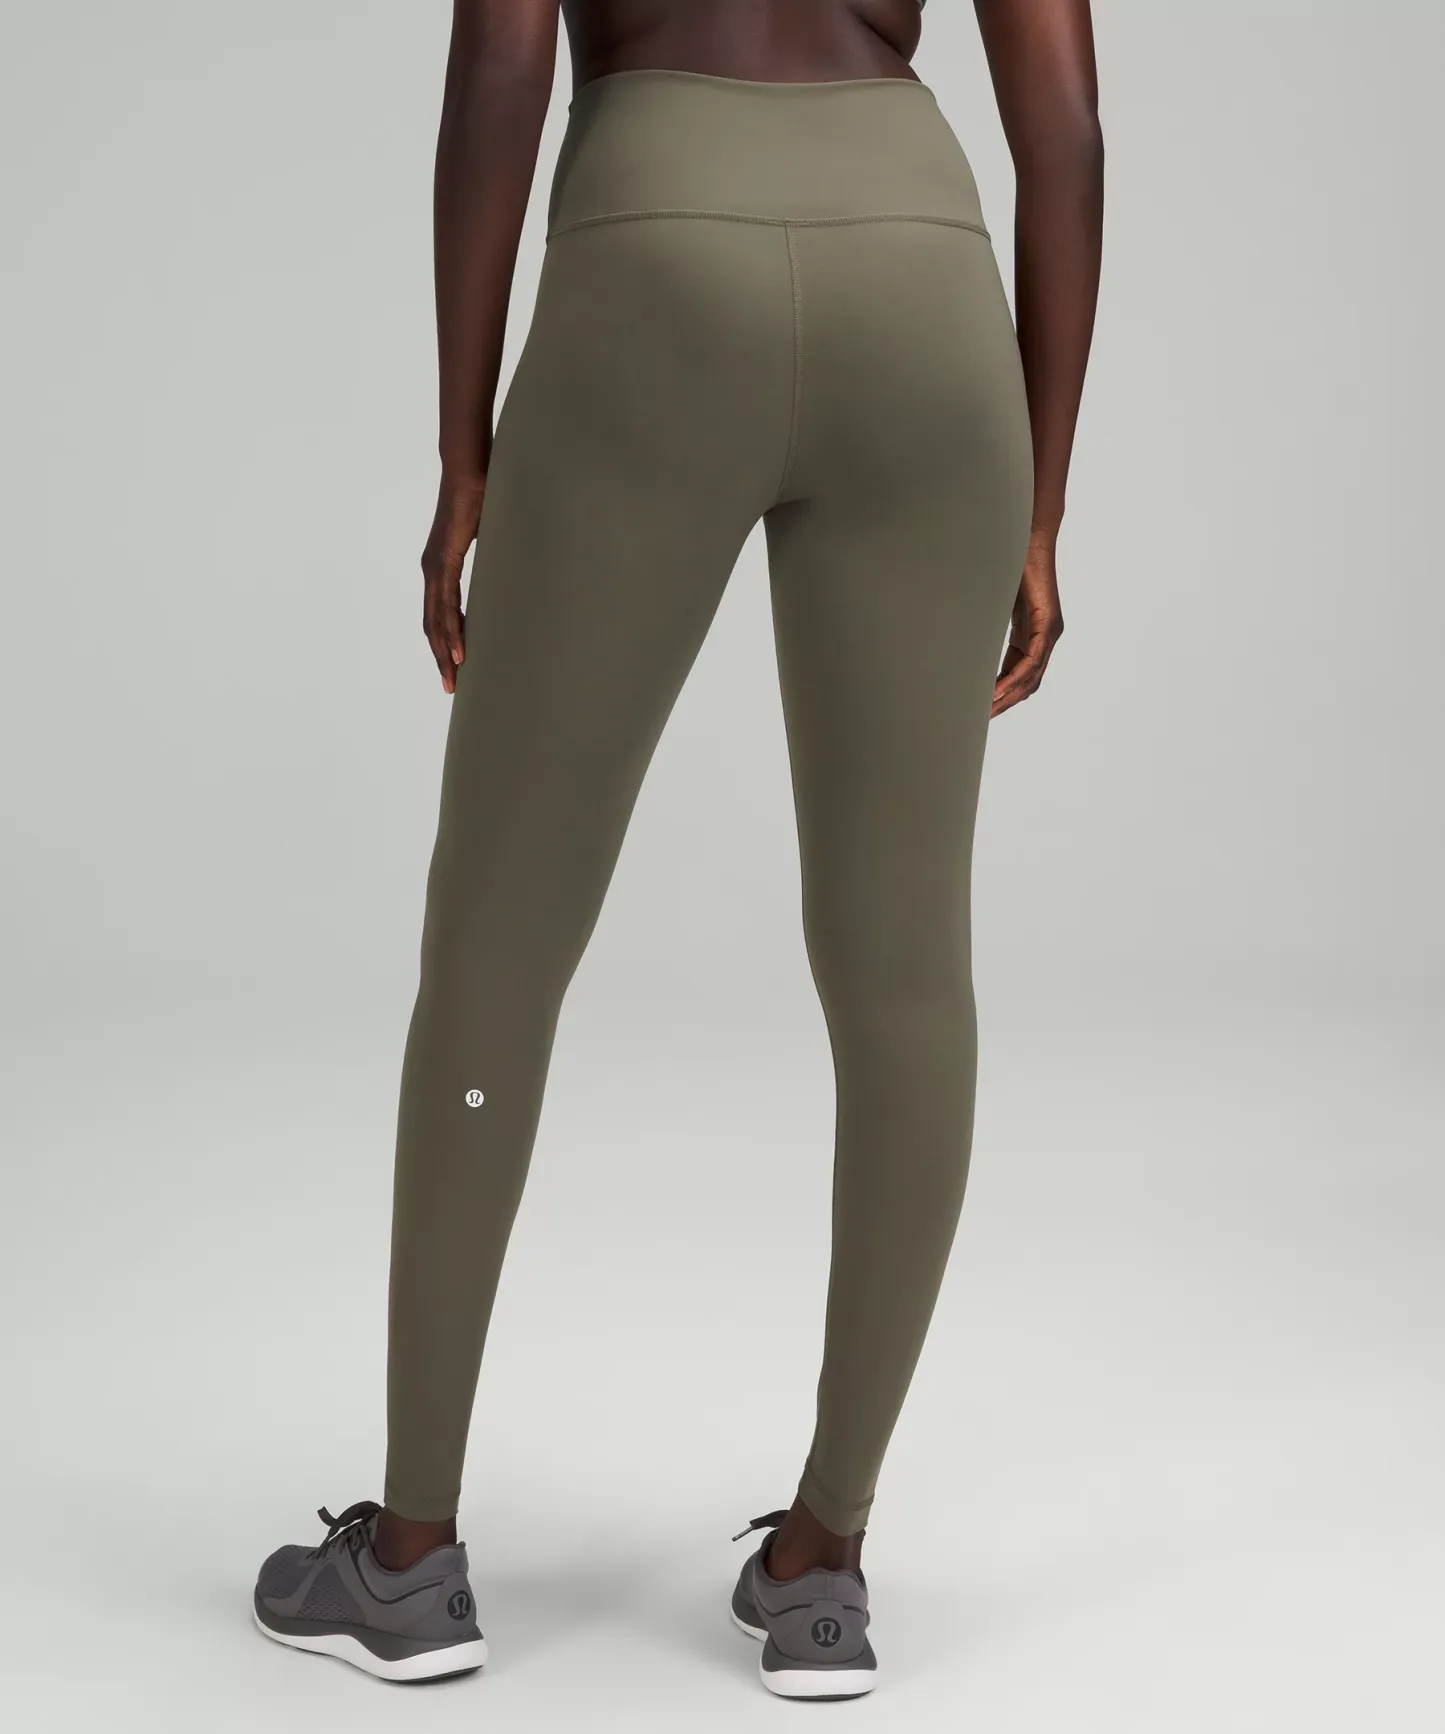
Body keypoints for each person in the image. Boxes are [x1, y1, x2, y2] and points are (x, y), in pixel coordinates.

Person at [252, 0, 1102, 1699]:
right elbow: (1064, 128)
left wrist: (465, 451)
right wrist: (1045, 496)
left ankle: (409, 1559)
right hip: (924, 274)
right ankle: (825, 1561)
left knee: (500, 938)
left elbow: (500, 73)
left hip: (653, 254)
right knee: (903, 969)